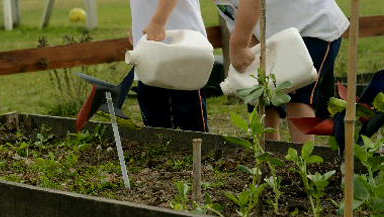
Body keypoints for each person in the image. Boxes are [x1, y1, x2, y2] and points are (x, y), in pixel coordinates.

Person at [214, 0, 349, 143]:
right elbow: (241, 23)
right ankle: (268, 158)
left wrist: (239, 46)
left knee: (298, 95)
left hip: (312, 27)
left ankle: (302, 161)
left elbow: (252, 2)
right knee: (261, 94)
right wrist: (259, 62)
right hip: (279, 40)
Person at [130, 0, 209, 132]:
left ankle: (196, 150)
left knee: (188, 115)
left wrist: (158, 21)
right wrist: (137, 23)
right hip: (150, 47)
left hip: (181, 43)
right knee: (153, 113)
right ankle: (162, 149)